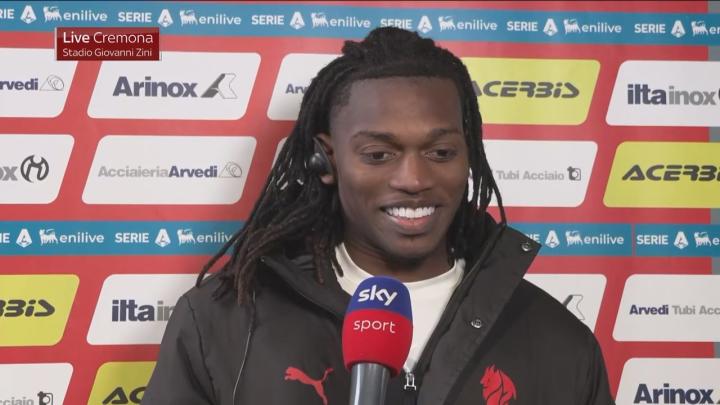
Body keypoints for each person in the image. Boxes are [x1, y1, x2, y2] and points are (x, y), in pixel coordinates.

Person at [142, 27, 614, 405]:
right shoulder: (222, 323)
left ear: (469, 156)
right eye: (378, 155)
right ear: (326, 160)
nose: (413, 179)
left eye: (441, 152)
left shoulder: (558, 342)